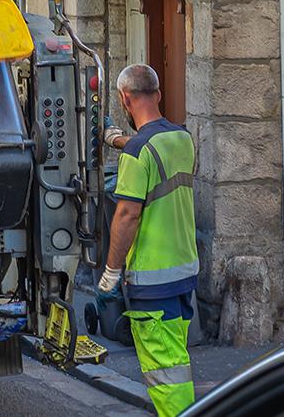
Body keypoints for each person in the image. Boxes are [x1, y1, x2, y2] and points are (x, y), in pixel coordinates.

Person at [98, 64, 198, 417]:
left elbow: (127, 215)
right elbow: (153, 149)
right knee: (177, 359)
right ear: (157, 94)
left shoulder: (137, 154)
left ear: (125, 99)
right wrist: (117, 141)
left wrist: (111, 273)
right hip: (183, 273)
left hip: (152, 280)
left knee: (166, 374)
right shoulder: (182, 140)